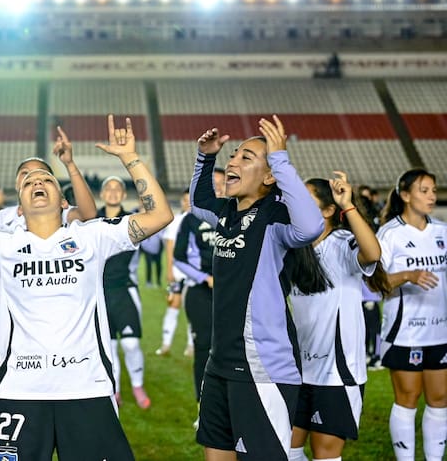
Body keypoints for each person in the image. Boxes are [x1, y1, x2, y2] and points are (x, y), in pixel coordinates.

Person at [0, 115, 173, 460]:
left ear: (63, 200)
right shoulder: (2, 244)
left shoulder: (92, 237)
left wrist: (130, 158)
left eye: (46, 179)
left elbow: (159, 215)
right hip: (20, 391)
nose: (37, 182)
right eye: (28, 182)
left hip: (86, 389)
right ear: (18, 209)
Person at [191, 116, 328, 461]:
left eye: (245, 157)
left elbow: (311, 225)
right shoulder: (225, 213)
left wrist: (281, 159)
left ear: (269, 177)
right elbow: (198, 202)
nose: (233, 161)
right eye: (233, 155)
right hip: (219, 364)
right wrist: (205, 158)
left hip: (263, 369)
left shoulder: (275, 217)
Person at [0, 126, 98, 403]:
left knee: (44, 398)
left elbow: (89, 214)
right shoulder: (10, 216)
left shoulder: (61, 212)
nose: (32, 178)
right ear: (16, 184)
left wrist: (69, 164)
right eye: (25, 174)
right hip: (1, 315)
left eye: (41, 174)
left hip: (44, 319)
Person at [289, 172, 389, 461]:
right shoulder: (295, 247)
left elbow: (372, 253)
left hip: (336, 373)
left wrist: (348, 204)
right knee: (286, 450)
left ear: (329, 211)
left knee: (325, 456)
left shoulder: (343, 241)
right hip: (298, 369)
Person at [376, 169, 446, 461]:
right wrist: (408, 275)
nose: (432, 196)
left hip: (440, 332)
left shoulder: (442, 231)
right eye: (424, 190)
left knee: (440, 401)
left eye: (433, 191)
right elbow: (375, 282)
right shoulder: (389, 234)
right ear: (405, 195)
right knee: (407, 401)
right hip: (405, 333)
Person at [176, 168, 227, 428]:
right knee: (205, 349)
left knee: (235, 350)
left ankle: (233, 408)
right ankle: (204, 409)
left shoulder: (240, 216)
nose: (218, 189)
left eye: (222, 184)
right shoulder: (191, 219)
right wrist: (204, 278)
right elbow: (179, 257)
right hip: (201, 293)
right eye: (213, 185)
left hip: (233, 294)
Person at [98, 175, 151, 409]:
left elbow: (154, 244)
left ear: (123, 194)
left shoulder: (133, 221)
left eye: (117, 188)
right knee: (109, 346)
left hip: (125, 290)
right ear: (101, 194)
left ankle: (138, 385)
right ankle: (115, 389)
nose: (112, 192)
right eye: (107, 188)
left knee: (130, 344)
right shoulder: (91, 220)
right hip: (99, 293)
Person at [156, 188, 192, 357]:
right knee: (173, 305)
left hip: (195, 274)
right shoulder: (176, 221)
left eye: (190, 199)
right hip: (178, 273)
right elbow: (169, 246)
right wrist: (169, 270)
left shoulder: (201, 220)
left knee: (193, 309)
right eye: (185, 200)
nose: (187, 203)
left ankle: (192, 346)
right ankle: (165, 344)